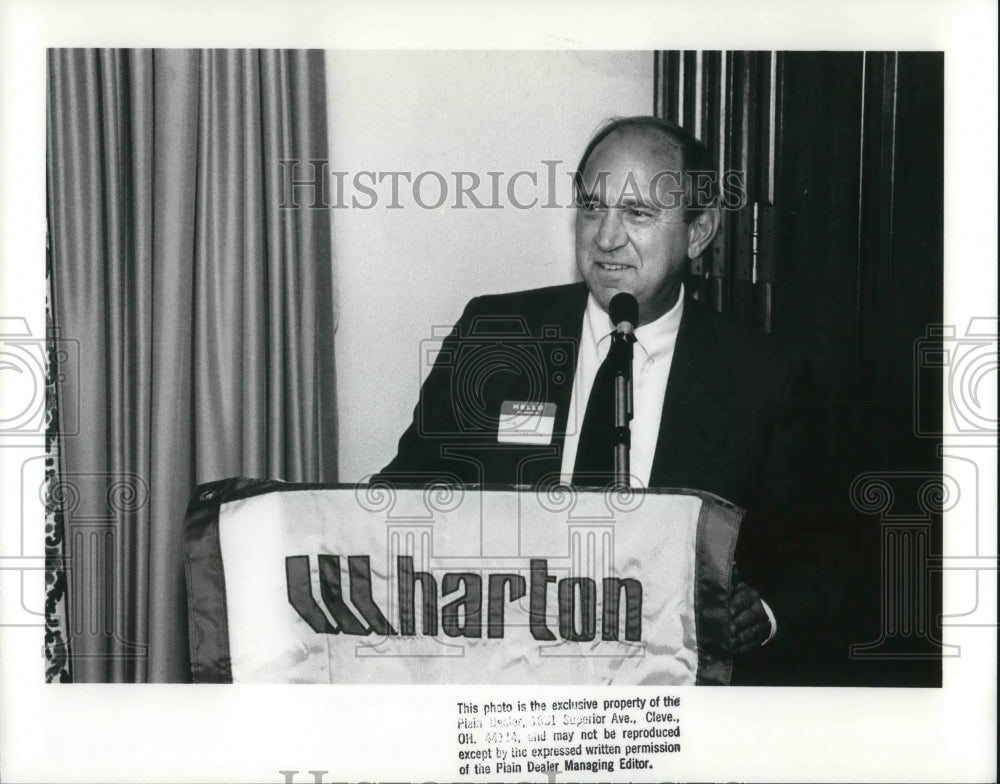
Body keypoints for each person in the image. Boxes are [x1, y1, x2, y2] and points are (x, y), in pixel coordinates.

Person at [381, 116, 845, 683]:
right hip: (505, 679)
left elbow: (825, 557)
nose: (606, 238)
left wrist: (763, 612)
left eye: (638, 213)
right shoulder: (497, 333)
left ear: (698, 233)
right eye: (593, 207)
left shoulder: (764, 377)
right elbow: (402, 493)